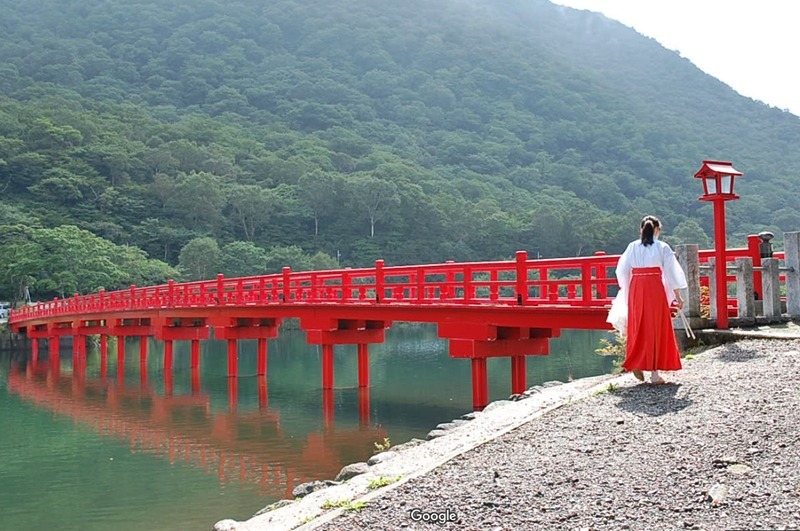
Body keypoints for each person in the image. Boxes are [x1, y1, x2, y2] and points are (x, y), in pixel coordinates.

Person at [614, 215, 687, 384]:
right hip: (654, 287)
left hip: (637, 288)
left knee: (638, 326)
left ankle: (636, 361)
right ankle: (655, 373)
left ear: (641, 229)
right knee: (656, 326)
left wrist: (627, 290)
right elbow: (671, 273)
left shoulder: (632, 247)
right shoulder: (662, 247)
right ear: (657, 230)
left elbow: (622, 271)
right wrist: (677, 296)